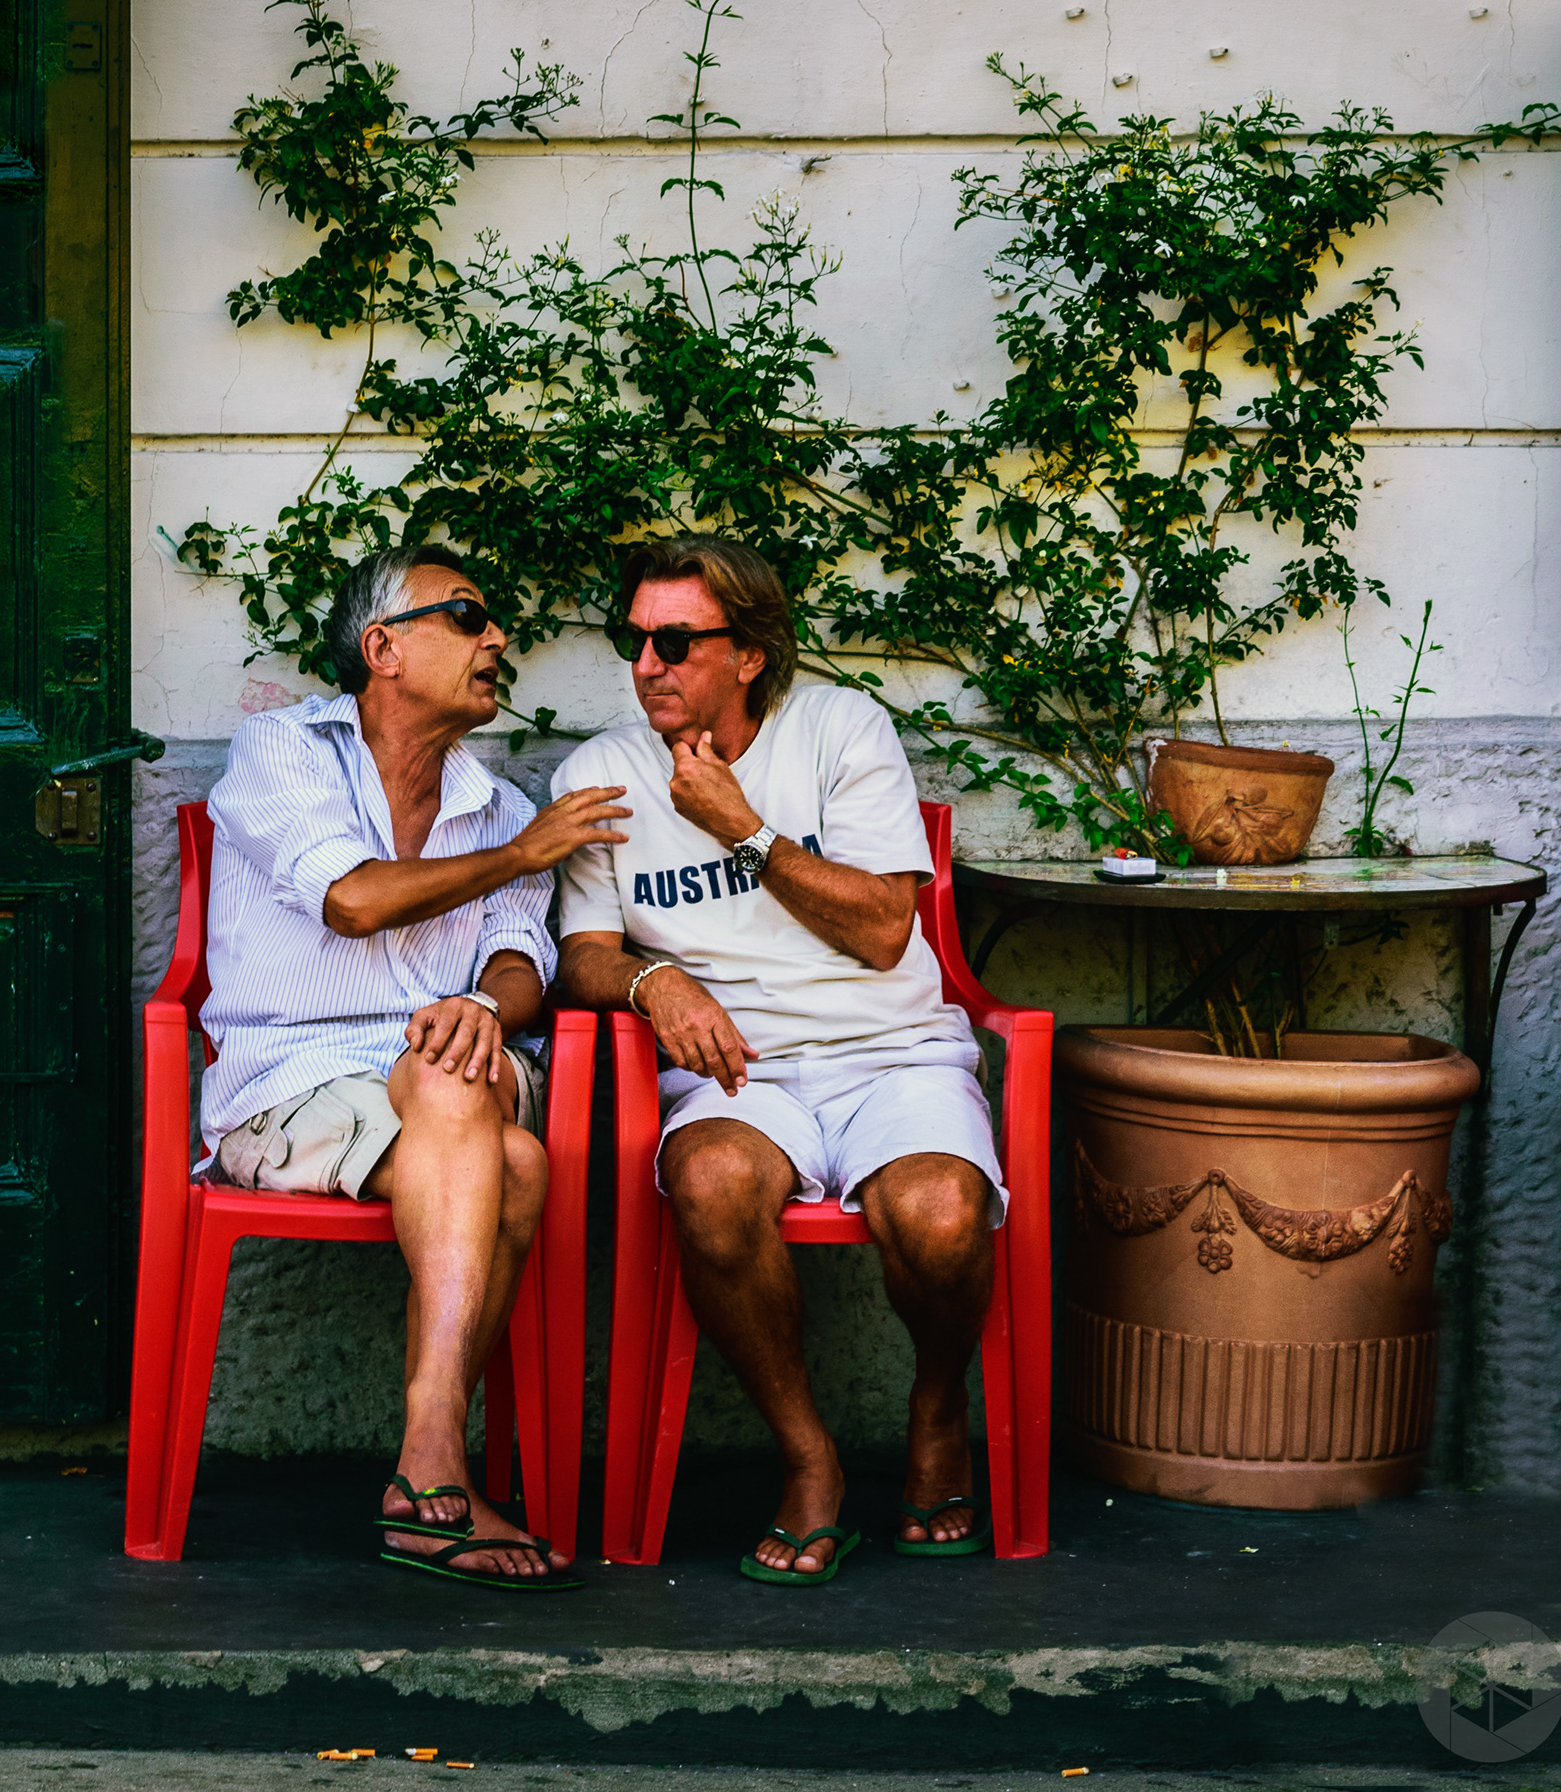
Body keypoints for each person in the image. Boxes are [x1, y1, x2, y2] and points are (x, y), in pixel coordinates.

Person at [553, 534, 1005, 1584]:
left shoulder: (841, 731)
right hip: (734, 1074)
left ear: (749, 652)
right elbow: (582, 951)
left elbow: (889, 927)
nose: (647, 664)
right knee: (709, 1182)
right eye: (637, 640)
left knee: (940, 1215)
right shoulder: (602, 772)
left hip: (889, 1054)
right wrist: (649, 982)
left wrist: (744, 828)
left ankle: (938, 1407)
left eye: (675, 640)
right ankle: (810, 1456)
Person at [199, 542, 630, 1590]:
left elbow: (523, 964)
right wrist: (518, 861)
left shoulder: (504, 807)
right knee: (518, 1167)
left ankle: (426, 1460)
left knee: (450, 1065)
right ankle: (438, 1463)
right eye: (470, 617)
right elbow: (350, 900)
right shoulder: (283, 751)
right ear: (381, 647)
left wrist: (484, 1003)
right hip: (291, 1085)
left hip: (459, 1069)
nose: (499, 641)